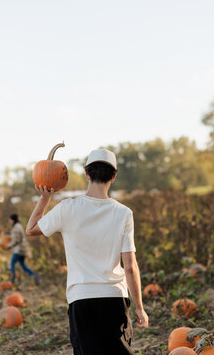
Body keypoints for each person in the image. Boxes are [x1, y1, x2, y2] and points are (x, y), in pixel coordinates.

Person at [26, 149, 148, 355]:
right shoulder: (124, 213)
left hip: (81, 299)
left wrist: (45, 198)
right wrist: (139, 307)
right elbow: (130, 266)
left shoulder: (67, 208)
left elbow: (31, 230)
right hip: (114, 298)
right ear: (114, 176)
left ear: (87, 174)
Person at [6, 213, 40, 285]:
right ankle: (36, 278)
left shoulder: (16, 228)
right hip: (22, 250)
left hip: (19, 250)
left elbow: (16, 240)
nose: (9, 221)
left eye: (10, 219)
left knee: (11, 264)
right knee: (23, 266)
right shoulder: (18, 226)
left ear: (13, 220)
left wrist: (8, 246)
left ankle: (12, 280)